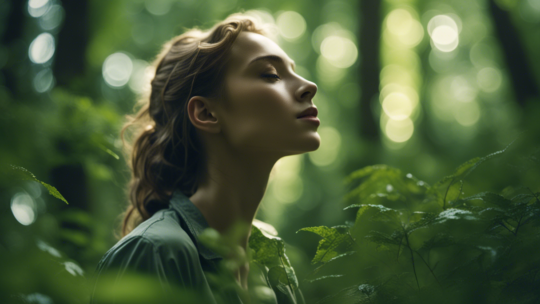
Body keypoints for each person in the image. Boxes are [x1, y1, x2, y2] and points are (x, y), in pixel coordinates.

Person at [90, 11, 319, 304]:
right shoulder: (154, 252)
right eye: (270, 74)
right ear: (206, 113)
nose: (308, 86)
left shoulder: (269, 258)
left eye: (293, 70)